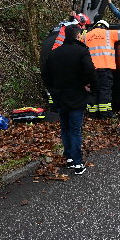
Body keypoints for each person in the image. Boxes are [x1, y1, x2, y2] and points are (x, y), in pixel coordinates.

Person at [41, 24, 98, 175]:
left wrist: (53, 89)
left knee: (65, 129)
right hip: (76, 96)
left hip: (60, 96)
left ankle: (69, 159)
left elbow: (46, 74)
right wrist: (88, 86)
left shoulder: (54, 54)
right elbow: (90, 72)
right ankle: (78, 163)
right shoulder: (81, 51)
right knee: (75, 130)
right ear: (78, 36)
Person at [84, 20, 120, 118]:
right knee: (104, 90)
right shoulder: (109, 33)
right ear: (105, 27)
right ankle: (105, 114)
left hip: (90, 69)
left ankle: (92, 114)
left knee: (92, 91)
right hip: (105, 67)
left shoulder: (86, 36)